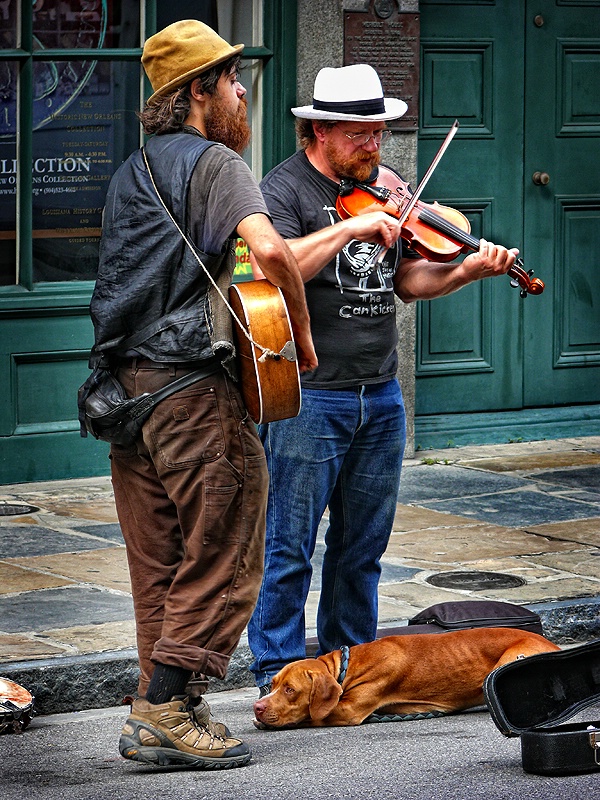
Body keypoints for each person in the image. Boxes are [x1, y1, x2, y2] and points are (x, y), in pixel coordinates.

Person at [87, 20, 316, 770]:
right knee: (226, 542)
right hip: (189, 389)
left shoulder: (132, 170)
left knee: (160, 561)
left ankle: (164, 706)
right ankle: (165, 708)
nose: (244, 93)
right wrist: (302, 342)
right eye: (233, 80)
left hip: (125, 393)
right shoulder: (216, 162)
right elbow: (275, 251)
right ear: (198, 92)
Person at [247, 64, 518, 695]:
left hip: (381, 392)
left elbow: (406, 282)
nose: (375, 147)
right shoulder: (282, 192)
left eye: (379, 133)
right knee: (288, 547)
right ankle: (277, 676)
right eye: (361, 135)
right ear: (319, 130)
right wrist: (351, 227)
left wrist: (466, 273)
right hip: (310, 394)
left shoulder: (386, 188)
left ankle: (349, 668)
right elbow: (276, 264)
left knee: (360, 548)